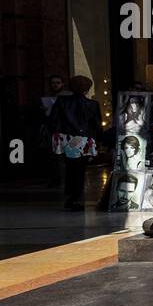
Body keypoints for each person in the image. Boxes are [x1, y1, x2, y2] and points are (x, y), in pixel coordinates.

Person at [48, 75, 102, 211]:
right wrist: (98, 141)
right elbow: (97, 125)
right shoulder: (93, 104)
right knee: (80, 169)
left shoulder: (61, 101)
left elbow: (52, 120)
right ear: (87, 89)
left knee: (69, 167)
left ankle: (71, 196)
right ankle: (75, 197)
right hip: (83, 140)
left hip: (65, 138)